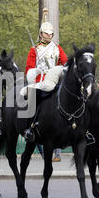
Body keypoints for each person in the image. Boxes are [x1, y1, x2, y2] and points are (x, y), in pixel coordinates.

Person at [22, 8, 68, 142]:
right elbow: (28, 70)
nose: (49, 36)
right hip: (40, 81)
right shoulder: (34, 50)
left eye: (51, 34)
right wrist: (37, 70)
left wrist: (61, 70)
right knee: (34, 98)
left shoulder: (57, 48)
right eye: (46, 34)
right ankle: (30, 126)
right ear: (41, 34)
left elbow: (66, 63)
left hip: (55, 80)